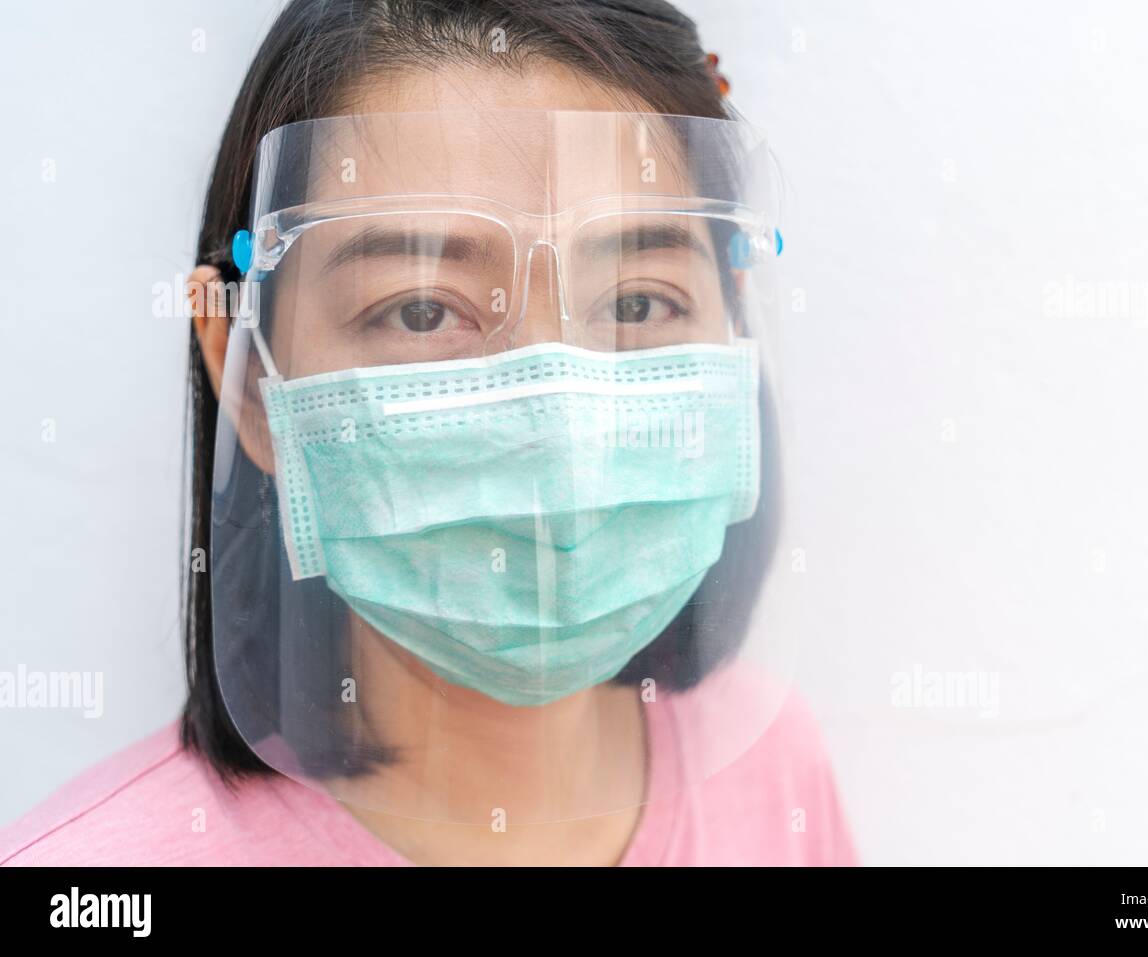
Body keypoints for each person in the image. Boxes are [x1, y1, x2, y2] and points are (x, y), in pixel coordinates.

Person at [1, 0, 858, 867]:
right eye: (419, 310)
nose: (557, 427)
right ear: (250, 381)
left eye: (637, 303)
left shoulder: (774, 775)